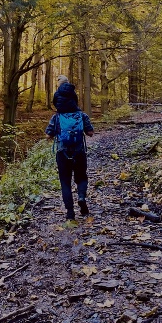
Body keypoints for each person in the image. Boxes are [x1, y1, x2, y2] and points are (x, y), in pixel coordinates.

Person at [45, 90, 94, 224]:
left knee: (65, 182)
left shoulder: (56, 117)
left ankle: (70, 213)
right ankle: (82, 197)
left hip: (62, 153)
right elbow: (90, 132)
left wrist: (55, 134)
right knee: (82, 177)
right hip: (79, 152)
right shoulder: (82, 115)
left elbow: (48, 135)